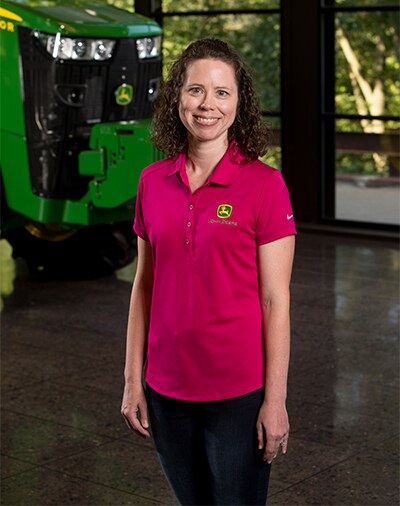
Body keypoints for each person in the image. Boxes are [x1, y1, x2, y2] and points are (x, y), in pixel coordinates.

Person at [121, 38, 296, 506]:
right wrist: (131, 380)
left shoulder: (265, 185)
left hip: (237, 393)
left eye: (222, 92)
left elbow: (275, 300)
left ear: (239, 104)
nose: (207, 105)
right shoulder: (152, 181)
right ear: (178, 96)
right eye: (196, 90)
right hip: (165, 388)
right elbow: (144, 287)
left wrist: (274, 401)